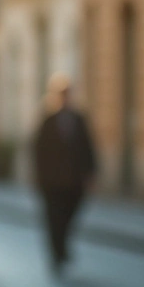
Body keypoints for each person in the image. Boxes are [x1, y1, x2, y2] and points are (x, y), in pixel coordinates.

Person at [32, 74, 97, 274]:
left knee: (70, 215)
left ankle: (63, 246)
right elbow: (37, 151)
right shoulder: (47, 120)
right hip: (51, 182)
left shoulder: (79, 119)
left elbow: (88, 147)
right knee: (53, 219)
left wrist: (91, 172)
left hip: (74, 181)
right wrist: (38, 178)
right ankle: (57, 254)